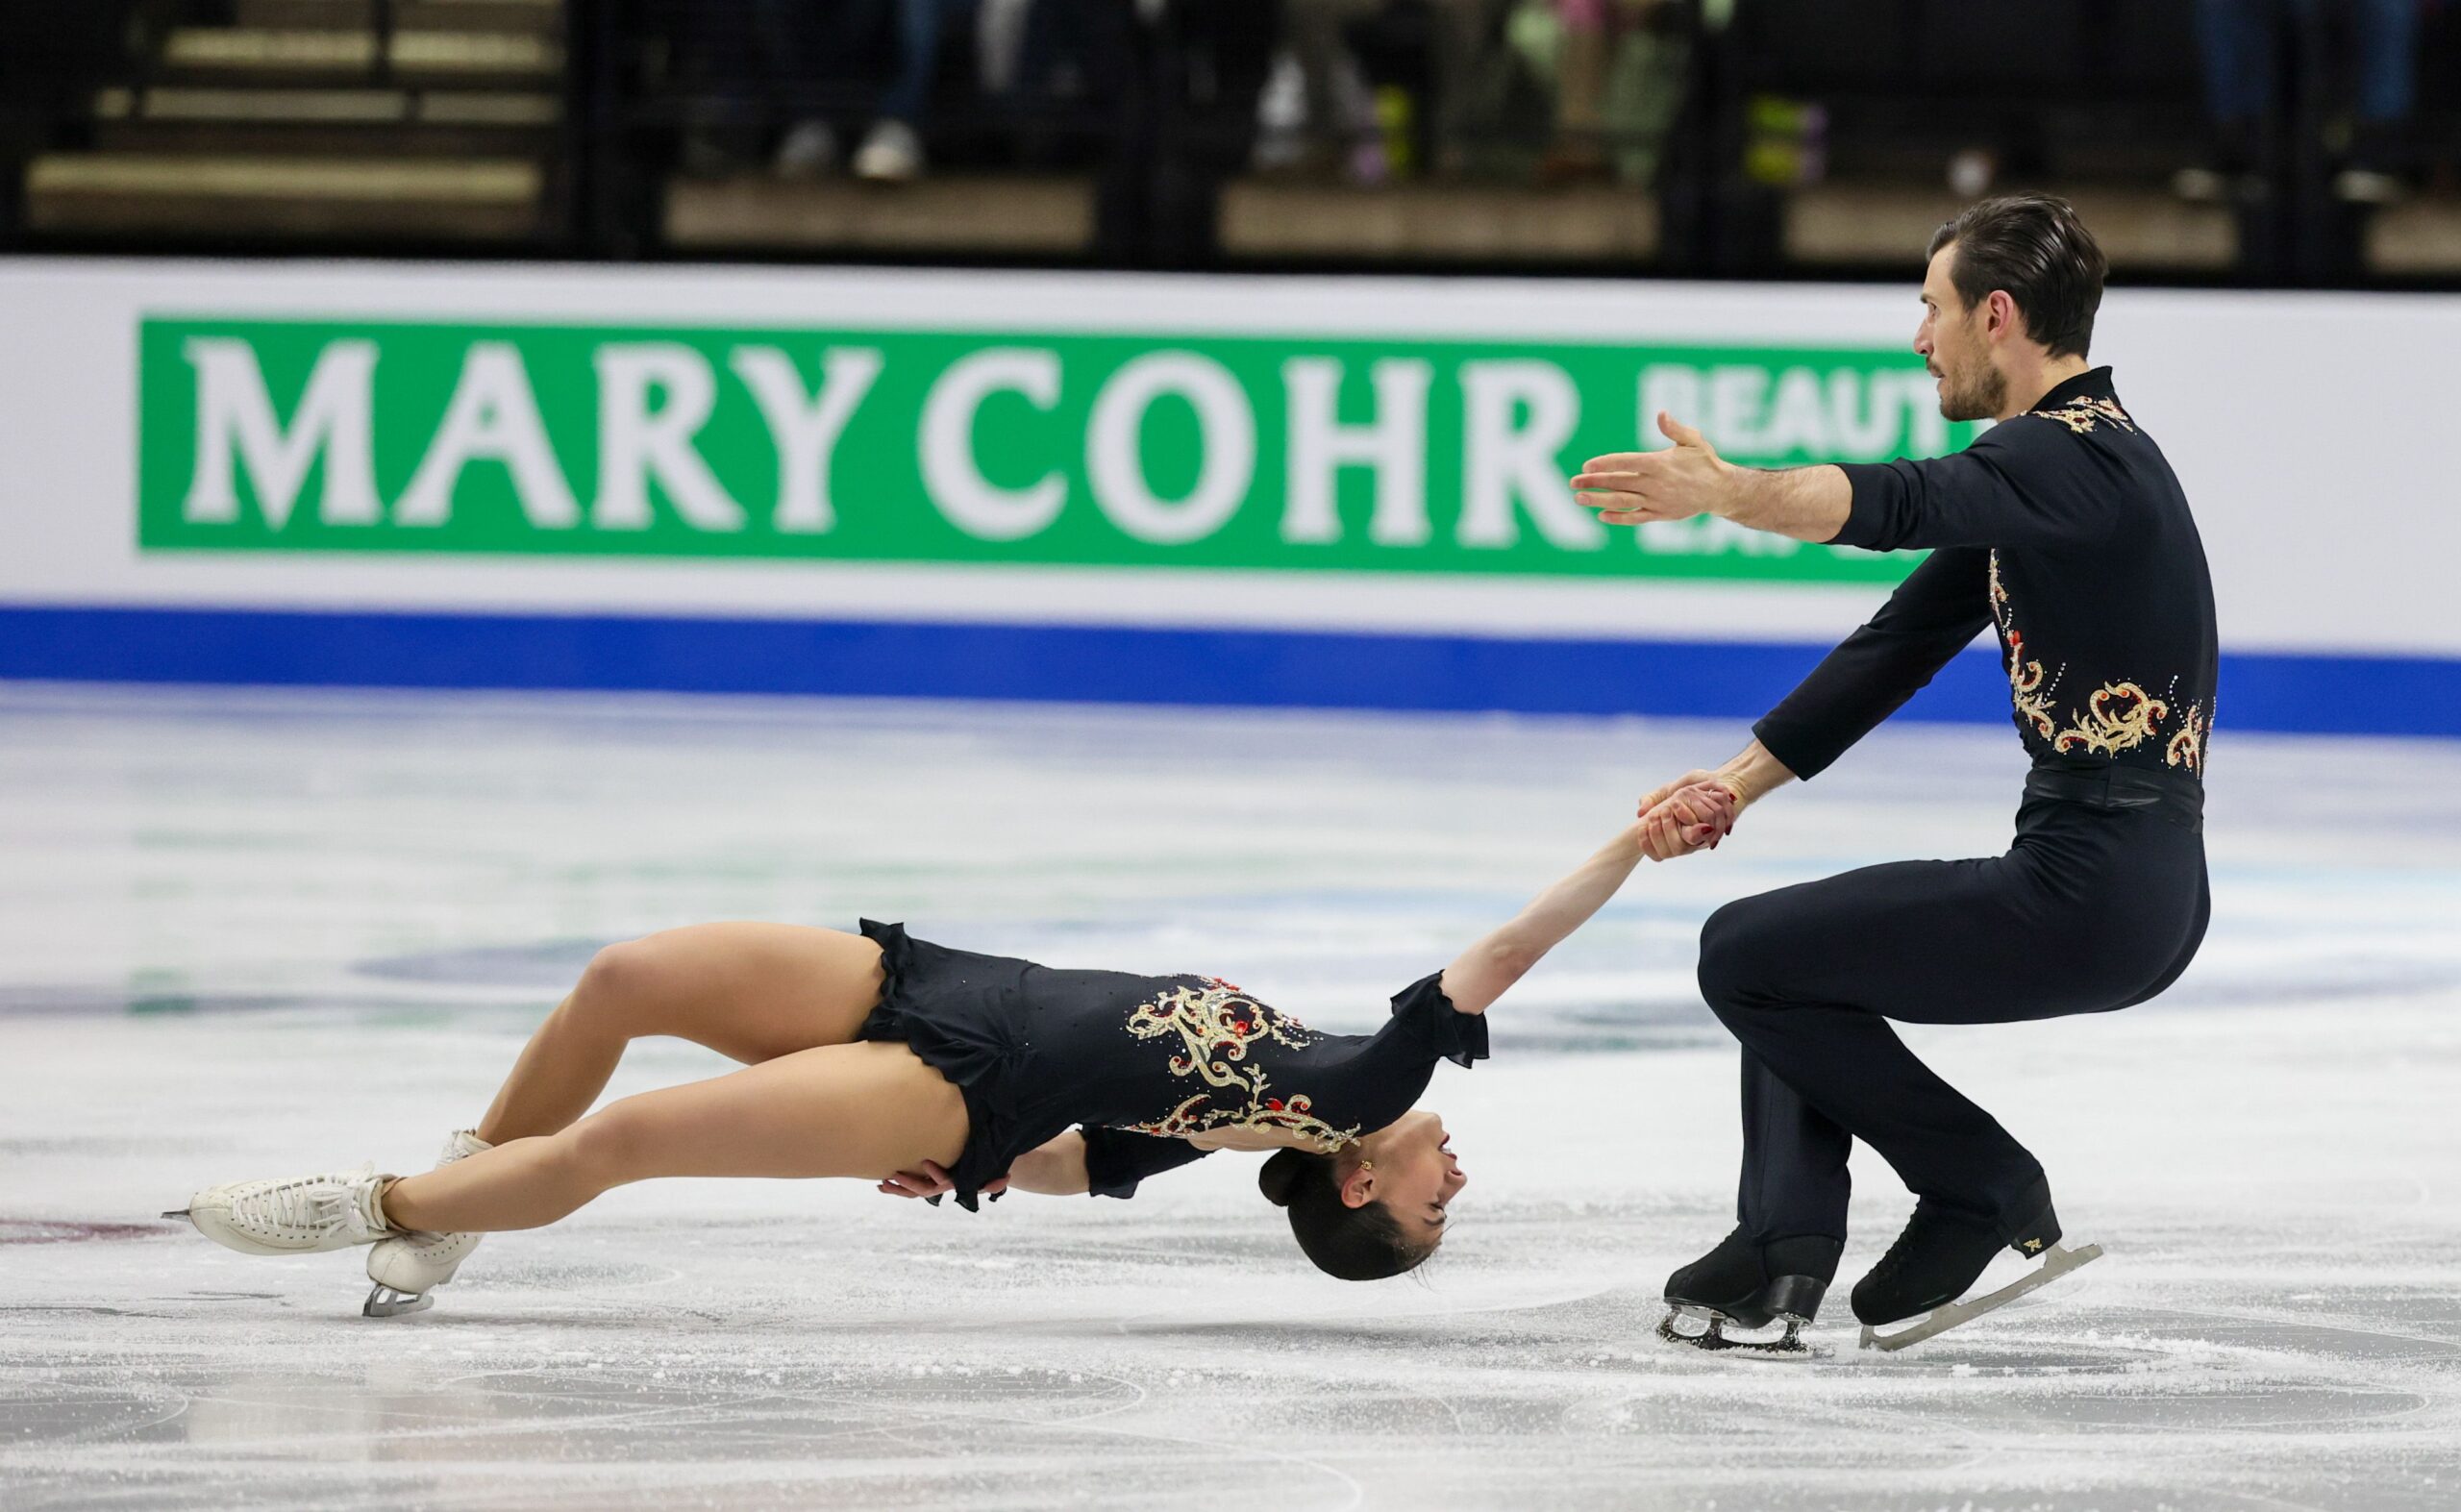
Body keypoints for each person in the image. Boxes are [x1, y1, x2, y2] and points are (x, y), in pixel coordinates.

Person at [165, 796, 1735, 1315]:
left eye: (1430, 1205)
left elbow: (1508, 951)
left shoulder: (1362, 1089)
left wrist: (1632, 840)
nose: (1454, 1174)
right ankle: (466, 1183)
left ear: (1355, 1182)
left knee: (632, 1134)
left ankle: (397, 1210)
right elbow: (1081, 1167)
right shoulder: (1241, 1120)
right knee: (624, 972)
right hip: (945, 986)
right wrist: (997, 1172)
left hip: (960, 1079)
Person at [1572, 193, 2215, 1351]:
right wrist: (1729, 784)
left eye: (1932, 308)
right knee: (1784, 951)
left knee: (1748, 957)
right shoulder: (2076, 466)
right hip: (2132, 885)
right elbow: (1896, 645)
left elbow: (1898, 501)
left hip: (2093, 886)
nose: (1918, 337)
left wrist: (1731, 493)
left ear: (1998, 316)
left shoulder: (2061, 460)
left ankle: (1974, 1189)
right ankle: (1781, 1252)